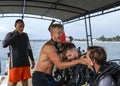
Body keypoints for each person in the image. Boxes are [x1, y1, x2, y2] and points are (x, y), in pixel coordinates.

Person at [2, 19, 35, 86]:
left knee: (25, 83)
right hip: (15, 63)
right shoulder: (10, 34)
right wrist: (16, 34)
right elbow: (4, 45)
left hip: (25, 63)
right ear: (15, 26)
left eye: (23, 26)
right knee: (13, 83)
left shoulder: (25, 35)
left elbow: (29, 48)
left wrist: (32, 60)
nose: (22, 28)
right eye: (20, 26)